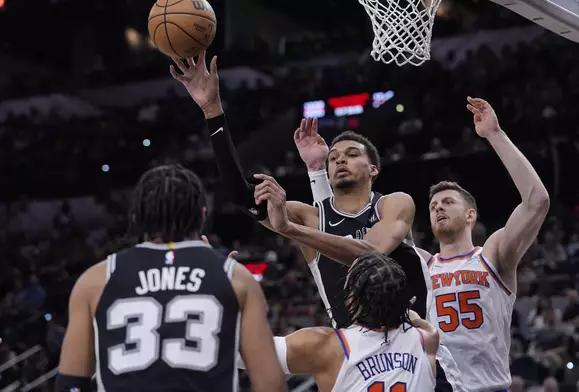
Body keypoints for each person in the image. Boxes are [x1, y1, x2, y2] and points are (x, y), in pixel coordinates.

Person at [173, 51, 460, 392]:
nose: (340, 160)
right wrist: (212, 111)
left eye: (352, 154)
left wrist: (290, 230)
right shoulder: (312, 217)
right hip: (353, 349)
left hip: (417, 345)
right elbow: (241, 196)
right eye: (335, 157)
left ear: (373, 169)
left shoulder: (394, 204)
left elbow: (371, 253)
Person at [301, 97, 550, 391]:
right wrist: (317, 172)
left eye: (447, 202)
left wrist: (495, 135)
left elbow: (537, 201)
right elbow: (340, 232)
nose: (438, 208)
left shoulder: (493, 255)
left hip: (487, 387)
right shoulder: (418, 264)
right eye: (433, 205)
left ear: (471, 214)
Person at [55, 164, 285, 392]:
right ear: (202, 217)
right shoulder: (235, 277)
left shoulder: (95, 280)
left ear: (136, 217)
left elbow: (70, 385)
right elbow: (270, 383)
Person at [238, 253, 439, 392]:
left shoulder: (325, 346)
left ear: (352, 299)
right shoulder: (427, 338)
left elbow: (242, 353)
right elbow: (415, 319)